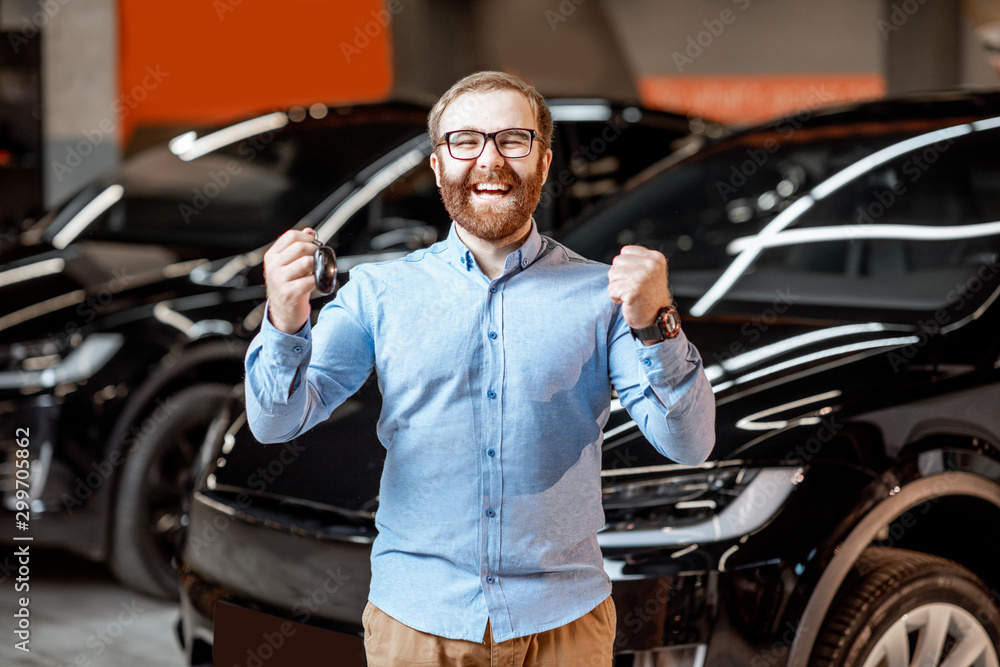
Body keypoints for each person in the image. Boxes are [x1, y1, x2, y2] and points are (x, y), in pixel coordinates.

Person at [244, 71, 715, 667]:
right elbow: (275, 423)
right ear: (438, 164)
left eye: (512, 140)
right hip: (418, 624)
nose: (488, 160)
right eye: (464, 141)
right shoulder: (378, 292)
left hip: (564, 625)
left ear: (543, 163)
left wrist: (657, 321)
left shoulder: (606, 297)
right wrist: (285, 323)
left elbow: (689, 444)